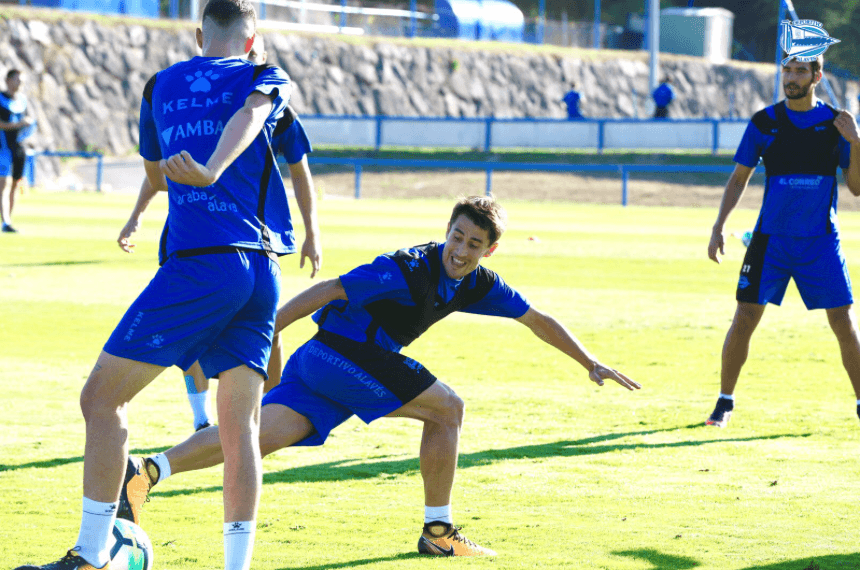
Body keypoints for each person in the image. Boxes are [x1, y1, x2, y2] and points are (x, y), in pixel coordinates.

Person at [117, 195, 641, 557]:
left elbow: (536, 319)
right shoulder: (405, 268)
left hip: (325, 364)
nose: (460, 251)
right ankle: (438, 532)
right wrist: (265, 333)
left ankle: (146, 471)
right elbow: (324, 292)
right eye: (456, 237)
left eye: (474, 244)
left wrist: (588, 361)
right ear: (446, 232)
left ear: (489, 250)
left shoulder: (479, 284)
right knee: (448, 409)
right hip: (337, 355)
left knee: (254, 440)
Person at [14, 3, 294, 570]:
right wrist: (221, 163)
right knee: (241, 428)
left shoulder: (159, 85)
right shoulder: (264, 73)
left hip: (201, 265)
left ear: (198, 35)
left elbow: (155, 172)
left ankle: (94, 553)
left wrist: (206, 169)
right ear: (251, 38)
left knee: (101, 399)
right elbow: (255, 113)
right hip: (261, 267)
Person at [117, 34, 321, 432]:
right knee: (197, 336)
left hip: (253, 242)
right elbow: (160, 173)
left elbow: (300, 169)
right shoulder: (199, 106)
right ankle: (201, 419)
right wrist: (135, 216)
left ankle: (269, 407)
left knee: (266, 331)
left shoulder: (273, 107)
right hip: (195, 240)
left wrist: (312, 232)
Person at [706, 55, 860, 428]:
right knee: (743, 319)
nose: (790, 78)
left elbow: (856, 188)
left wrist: (855, 142)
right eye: (787, 71)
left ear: (817, 76)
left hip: (820, 243)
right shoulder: (764, 122)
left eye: (799, 71)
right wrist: (718, 226)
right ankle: (724, 402)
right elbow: (739, 177)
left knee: (843, 323)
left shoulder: (837, 124)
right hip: (770, 241)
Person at [0, 69, 33, 233]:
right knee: (3, 184)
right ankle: (4, 220)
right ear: (8, 80)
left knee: (14, 184)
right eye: (17, 80)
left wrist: (28, 125)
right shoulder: (0, 99)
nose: (20, 84)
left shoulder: (23, 100)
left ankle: (8, 221)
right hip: (2, 148)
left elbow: (29, 120)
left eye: (22, 81)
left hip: (19, 148)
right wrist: (19, 124)